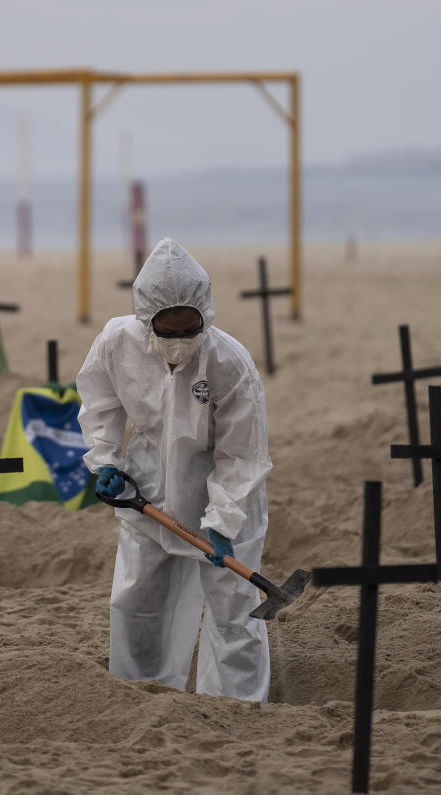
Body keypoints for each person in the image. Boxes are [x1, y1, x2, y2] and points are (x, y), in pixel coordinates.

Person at [76, 237, 273, 701]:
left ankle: (235, 704)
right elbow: (99, 403)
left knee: (233, 607)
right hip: (146, 486)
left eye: (190, 330)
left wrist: (223, 522)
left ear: (205, 316)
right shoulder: (116, 342)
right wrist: (104, 460)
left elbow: (241, 455)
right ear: (148, 319)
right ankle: (140, 693)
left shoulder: (229, 363)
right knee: (138, 596)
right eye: (169, 329)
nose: (180, 340)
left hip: (224, 489)